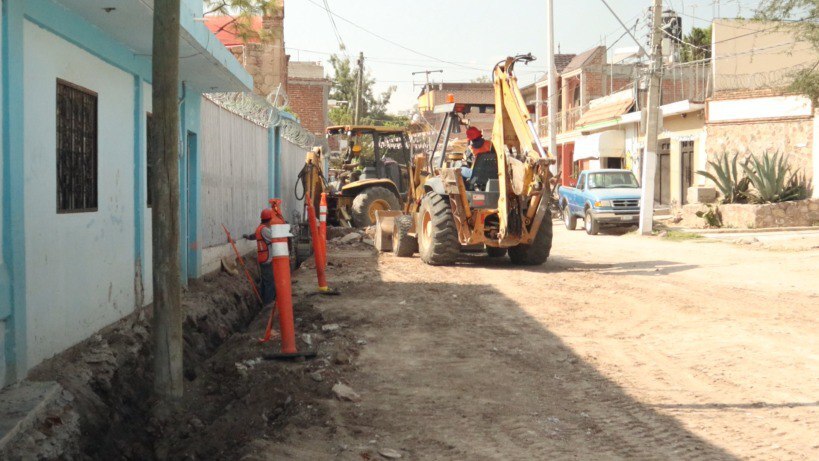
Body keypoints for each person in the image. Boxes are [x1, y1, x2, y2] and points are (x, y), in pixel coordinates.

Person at [245, 208, 276, 306]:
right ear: (270, 219)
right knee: (269, 283)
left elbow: (254, 236)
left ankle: (263, 302)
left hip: (263, 259)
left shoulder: (260, 228)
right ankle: (268, 305)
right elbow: (276, 238)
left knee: (265, 282)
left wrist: (247, 237)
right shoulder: (265, 230)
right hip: (267, 260)